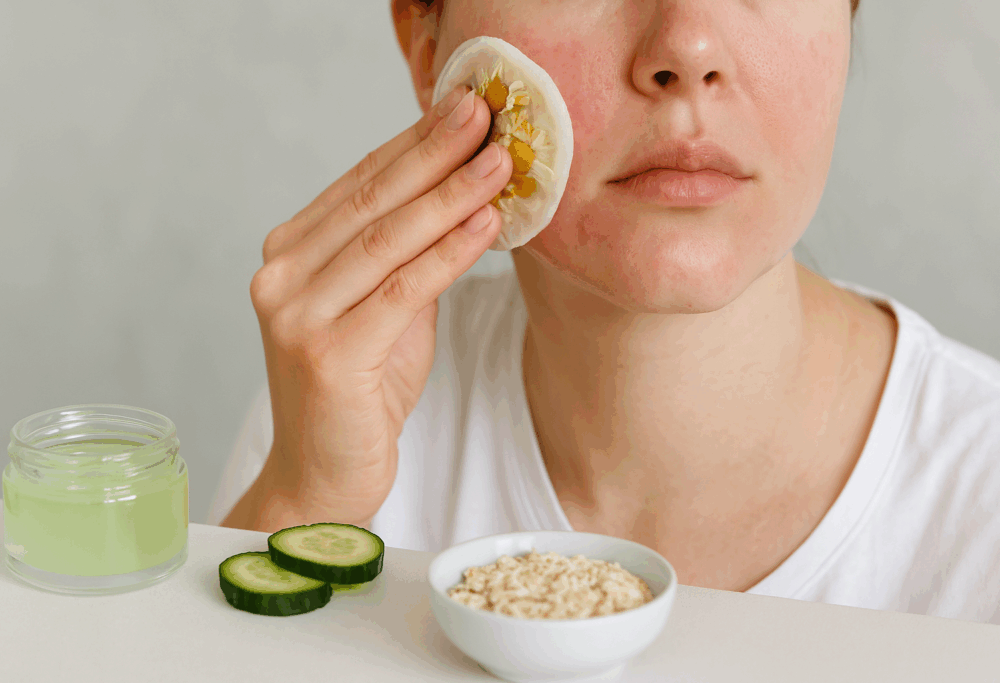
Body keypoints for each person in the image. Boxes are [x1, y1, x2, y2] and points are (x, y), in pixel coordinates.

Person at [208, 0, 1000, 624]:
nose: (687, 49)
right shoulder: (356, 400)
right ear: (428, 49)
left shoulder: (979, 505)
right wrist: (301, 498)